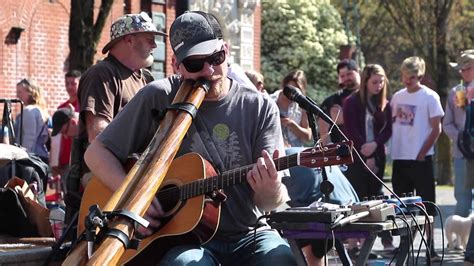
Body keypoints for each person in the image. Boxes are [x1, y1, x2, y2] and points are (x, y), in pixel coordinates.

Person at [84, 11, 295, 265]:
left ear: (226, 50)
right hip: (187, 240)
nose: (209, 70)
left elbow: (269, 203)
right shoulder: (158, 96)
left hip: (250, 234)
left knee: (280, 258)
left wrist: (269, 189)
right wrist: (135, 196)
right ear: (177, 65)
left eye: (216, 58)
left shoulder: (260, 107)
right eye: (196, 64)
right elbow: (96, 153)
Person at [64, 12, 164, 230]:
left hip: (138, 174)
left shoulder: (145, 79)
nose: (155, 46)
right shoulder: (102, 75)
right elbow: (98, 136)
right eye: (149, 39)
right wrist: (132, 192)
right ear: (129, 39)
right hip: (105, 179)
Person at [390, 56, 444, 260]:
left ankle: (430, 246)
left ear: (419, 75)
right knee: (402, 206)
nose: (407, 80)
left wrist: (422, 152)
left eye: (411, 76)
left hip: (421, 159)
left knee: (427, 204)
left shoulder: (430, 97)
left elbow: (436, 128)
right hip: (400, 158)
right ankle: (404, 245)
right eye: (404, 75)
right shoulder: (397, 96)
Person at [343, 64, 394, 250]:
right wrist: (366, 153)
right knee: (357, 196)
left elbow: (388, 129)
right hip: (357, 155)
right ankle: (355, 239)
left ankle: (385, 240)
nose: (379, 85)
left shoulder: (385, 103)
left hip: (377, 154)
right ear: (365, 81)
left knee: (377, 196)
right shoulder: (351, 102)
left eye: (381, 82)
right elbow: (351, 129)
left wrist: (375, 147)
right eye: (375, 82)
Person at [443, 49, 474, 217]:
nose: (463, 72)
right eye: (461, 69)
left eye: (467, 68)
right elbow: (446, 124)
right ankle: (460, 241)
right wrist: (461, 138)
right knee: (463, 197)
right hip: (462, 153)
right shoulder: (458, 91)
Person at [319, 59, 360, 145]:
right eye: (342, 76)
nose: (346, 78)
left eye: (349, 74)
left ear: (358, 71)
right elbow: (323, 130)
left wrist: (345, 117)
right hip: (343, 150)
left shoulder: (370, 94)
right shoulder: (333, 100)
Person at [50, 70, 81, 179]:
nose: (69, 87)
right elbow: (57, 138)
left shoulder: (84, 105)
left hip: (78, 157)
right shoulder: (62, 108)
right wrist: (55, 161)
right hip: (63, 159)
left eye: (73, 83)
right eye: (67, 83)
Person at [271, 70, 312, 148]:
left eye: (296, 91)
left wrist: (292, 124)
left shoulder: (302, 106)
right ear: (284, 86)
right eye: (289, 90)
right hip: (275, 147)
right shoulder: (271, 101)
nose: (291, 94)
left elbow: (308, 137)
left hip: (295, 149)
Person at [14, 79, 50, 164]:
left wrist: (23, 160)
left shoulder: (29, 111)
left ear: (30, 92)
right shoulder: (39, 109)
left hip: (32, 159)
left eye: (20, 92)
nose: (17, 95)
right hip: (40, 156)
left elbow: (29, 139)